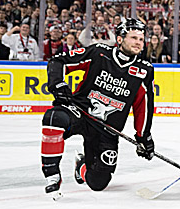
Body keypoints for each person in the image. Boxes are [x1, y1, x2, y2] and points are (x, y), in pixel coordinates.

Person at [40, 18, 155, 197]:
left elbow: (144, 107)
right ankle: (52, 175)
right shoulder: (99, 53)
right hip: (80, 113)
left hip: (107, 129)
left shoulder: (144, 70)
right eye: (133, 38)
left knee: (98, 182)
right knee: (54, 118)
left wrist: (143, 137)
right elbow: (58, 61)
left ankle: (81, 166)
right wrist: (57, 84)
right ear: (119, 39)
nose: (138, 42)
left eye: (141, 39)